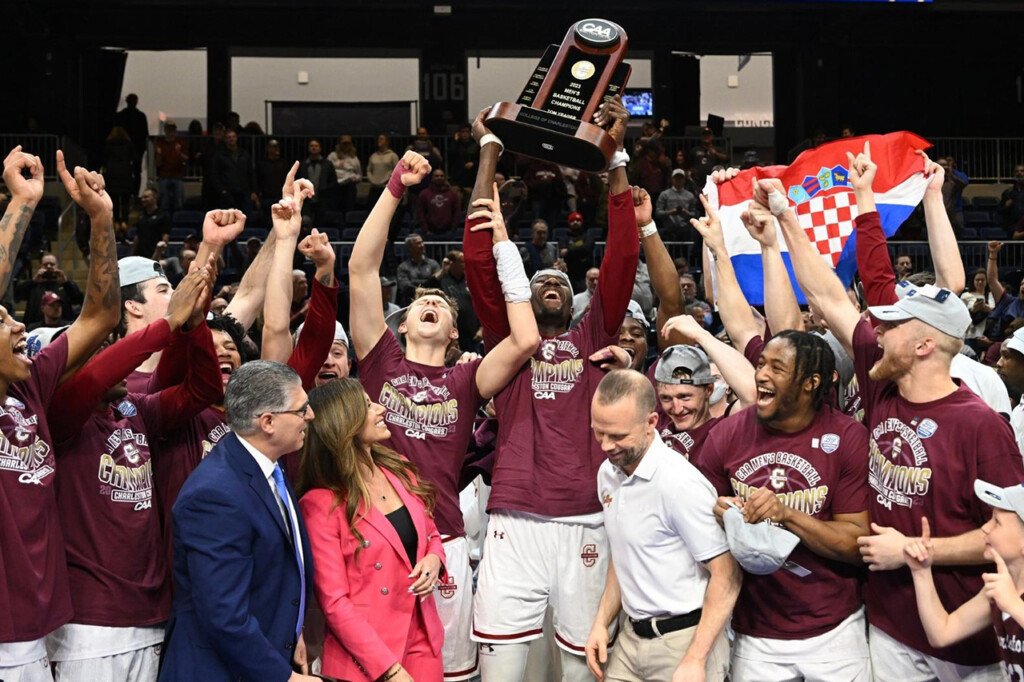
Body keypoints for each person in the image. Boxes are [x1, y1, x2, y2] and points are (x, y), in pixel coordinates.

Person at [772, 143, 1024, 678]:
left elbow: (1011, 537)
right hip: (888, 623)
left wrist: (912, 551)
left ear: (925, 345)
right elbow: (829, 296)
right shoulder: (882, 378)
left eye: (891, 325)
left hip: (967, 641)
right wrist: (786, 217)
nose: (876, 329)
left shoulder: (981, 424)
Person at [464, 98, 639, 682]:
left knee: (582, 667)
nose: (551, 286)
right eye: (539, 281)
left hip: (586, 520)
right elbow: (478, 257)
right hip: (513, 518)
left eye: (561, 281)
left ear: (577, 298)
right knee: (503, 670)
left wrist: (616, 159)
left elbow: (621, 256)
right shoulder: (508, 345)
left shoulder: (595, 333)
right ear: (526, 297)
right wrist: (489, 149)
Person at [350, 149, 539, 681]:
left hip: (447, 539)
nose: (429, 302)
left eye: (442, 304)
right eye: (419, 302)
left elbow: (525, 338)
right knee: (377, 668)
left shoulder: (466, 378)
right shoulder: (379, 360)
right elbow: (361, 267)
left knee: (448, 674)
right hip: (377, 532)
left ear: (455, 332)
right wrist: (395, 187)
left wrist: (503, 243)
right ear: (403, 323)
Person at [45, 265, 221, 681]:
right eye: (96, 349)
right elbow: (95, 377)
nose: (110, 356)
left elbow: (205, 390)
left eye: (110, 345)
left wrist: (193, 327)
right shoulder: (60, 416)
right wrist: (168, 322)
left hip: (152, 615)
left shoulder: (135, 410)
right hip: (90, 625)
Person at [0, 147, 121, 682]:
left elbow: (101, 314)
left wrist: (101, 219)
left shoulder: (30, 388)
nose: (18, 328)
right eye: (2, 319)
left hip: (43, 623)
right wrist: (22, 203)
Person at [698, 330, 872, 681]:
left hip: (834, 629)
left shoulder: (848, 438)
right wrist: (721, 515)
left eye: (777, 368)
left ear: (811, 382)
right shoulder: (727, 435)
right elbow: (702, 526)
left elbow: (856, 543)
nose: (761, 374)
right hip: (754, 630)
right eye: (761, 363)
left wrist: (787, 515)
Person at [158, 361, 317, 682]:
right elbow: (223, 615)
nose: (310, 416)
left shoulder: (267, 465)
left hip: (261, 656)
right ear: (268, 422)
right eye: (302, 410)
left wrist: (291, 631)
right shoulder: (215, 495)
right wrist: (283, 677)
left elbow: (276, 572)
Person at [585, 370, 739, 682]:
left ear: (651, 423)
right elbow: (624, 552)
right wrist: (601, 623)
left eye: (617, 436)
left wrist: (696, 659)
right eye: (598, 433)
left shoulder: (679, 484)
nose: (605, 445)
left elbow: (728, 575)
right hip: (630, 640)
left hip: (685, 641)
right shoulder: (608, 473)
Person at [298, 378, 446, 682]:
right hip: (366, 657)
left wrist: (434, 560)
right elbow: (334, 602)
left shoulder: (399, 469)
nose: (380, 409)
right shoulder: (320, 503)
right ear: (344, 421)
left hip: (423, 640)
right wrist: (389, 670)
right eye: (367, 405)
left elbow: (430, 533)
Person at [906, 479, 1024, 680]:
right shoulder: (1000, 586)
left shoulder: (1007, 596)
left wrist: (1013, 605)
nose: (985, 528)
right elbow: (942, 632)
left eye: (997, 522)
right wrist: (921, 572)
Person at [651, 315, 756, 461]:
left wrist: (702, 336)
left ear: (708, 390)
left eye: (685, 397)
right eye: (666, 398)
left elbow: (753, 393)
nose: (677, 408)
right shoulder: (657, 423)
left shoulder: (720, 430)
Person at [16, 252, 83, 327]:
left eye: (52, 264)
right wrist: (33, 281)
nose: (48, 266)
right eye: (45, 264)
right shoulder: (33, 285)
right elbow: (16, 296)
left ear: (57, 266)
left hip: (62, 327)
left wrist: (66, 283)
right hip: (35, 327)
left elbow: (79, 300)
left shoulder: (65, 285)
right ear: (40, 266)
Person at [211, 129, 258, 214]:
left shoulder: (244, 154)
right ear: (225, 140)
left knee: (246, 220)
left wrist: (253, 191)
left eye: (233, 137)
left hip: (244, 193)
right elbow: (214, 175)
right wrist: (222, 190)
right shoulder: (219, 156)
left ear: (236, 138)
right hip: (228, 194)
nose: (231, 139)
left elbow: (251, 173)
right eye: (229, 137)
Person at [113, 93, 149, 198]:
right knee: (136, 172)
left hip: (124, 148)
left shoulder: (120, 116)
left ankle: (128, 194)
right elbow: (145, 133)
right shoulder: (141, 116)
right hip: (135, 148)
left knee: (125, 172)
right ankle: (134, 194)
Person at [103, 126, 135, 230]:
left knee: (115, 200)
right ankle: (125, 222)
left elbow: (103, 160)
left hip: (112, 174)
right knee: (125, 200)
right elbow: (134, 158)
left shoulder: (108, 146)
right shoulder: (128, 145)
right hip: (125, 174)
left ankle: (116, 221)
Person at [396, 233, 440, 306]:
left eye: (422, 242)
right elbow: (406, 289)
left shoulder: (433, 264)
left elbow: (436, 284)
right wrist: (428, 285)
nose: (422, 245)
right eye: (418, 243)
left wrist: (414, 283)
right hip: (410, 304)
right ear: (410, 247)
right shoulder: (403, 267)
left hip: (431, 302)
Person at [153, 121, 188, 212]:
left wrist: (179, 153)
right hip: (164, 176)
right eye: (168, 129)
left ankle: (178, 221)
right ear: (165, 130)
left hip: (178, 176)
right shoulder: (160, 143)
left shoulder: (180, 142)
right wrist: (159, 154)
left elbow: (186, 160)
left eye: (172, 130)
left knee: (179, 202)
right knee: (164, 203)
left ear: (175, 131)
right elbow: (157, 163)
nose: (170, 132)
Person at [416, 169, 462, 236]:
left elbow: (457, 212)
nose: (439, 178)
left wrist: (453, 229)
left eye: (441, 176)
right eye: (436, 176)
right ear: (432, 178)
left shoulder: (453, 194)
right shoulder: (424, 194)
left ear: (445, 178)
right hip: (429, 233)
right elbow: (420, 213)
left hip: (449, 232)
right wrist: (426, 230)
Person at [655, 169, 697, 240]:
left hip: (685, 231)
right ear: (672, 179)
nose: (678, 180)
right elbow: (658, 213)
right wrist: (670, 212)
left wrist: (686, 212)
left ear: (684, 179)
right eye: (676, 178)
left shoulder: (690, 196)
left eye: (680, 178)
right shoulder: (664, 194)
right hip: (668, 230)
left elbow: (695, 214)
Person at [327, 134, 362, 213]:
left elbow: (359, 175)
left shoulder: (354, 158)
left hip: (349, 188)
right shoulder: (332, 156)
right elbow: (327, 172)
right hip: (336, 188)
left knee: (349, 209)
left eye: (348, 143)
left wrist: (354, 178)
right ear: (339, 144)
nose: (346, 145)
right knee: (336, 210)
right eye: (344, 143)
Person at [132, 187, 171, 257]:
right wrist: (133, 253)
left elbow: (165, 236)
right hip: (140, 255)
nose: (143, 199)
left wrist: (161, 253)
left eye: (146, 197)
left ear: (155, 198)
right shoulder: (141, 216)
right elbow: (137, 236)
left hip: (155, 254)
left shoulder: (163, 215)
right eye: (142, 197)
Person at [367, 134, 401, 203]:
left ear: (387, 141)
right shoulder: (373, 156)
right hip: (374, 188)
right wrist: (372, 180)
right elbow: (368, 170)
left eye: (381, 139)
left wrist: (387, 179)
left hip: (386, 188)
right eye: (378, 139)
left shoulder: (392, 155)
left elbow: (397, 171)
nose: (379, 141)